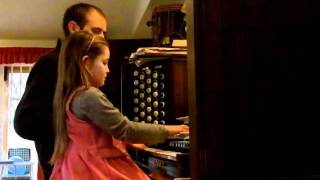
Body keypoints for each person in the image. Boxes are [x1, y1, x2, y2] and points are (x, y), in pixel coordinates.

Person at [49, 30, 189, 179]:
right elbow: (126, 129)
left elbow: (92, 135)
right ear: (85, 63)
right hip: (94, 167)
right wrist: (174, 129)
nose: (108, 70)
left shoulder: (72, 96)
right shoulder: (89, 96)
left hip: (76, 166)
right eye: (104, 62)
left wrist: (124, 142)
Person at [13, 3, 107, 179]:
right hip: (62, 170)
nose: (102, 38)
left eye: (104, 32)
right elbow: (23, 123)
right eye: (96, 31)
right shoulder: (50, 64)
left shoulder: (85, 68)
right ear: (73, 28)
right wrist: (74, 121)